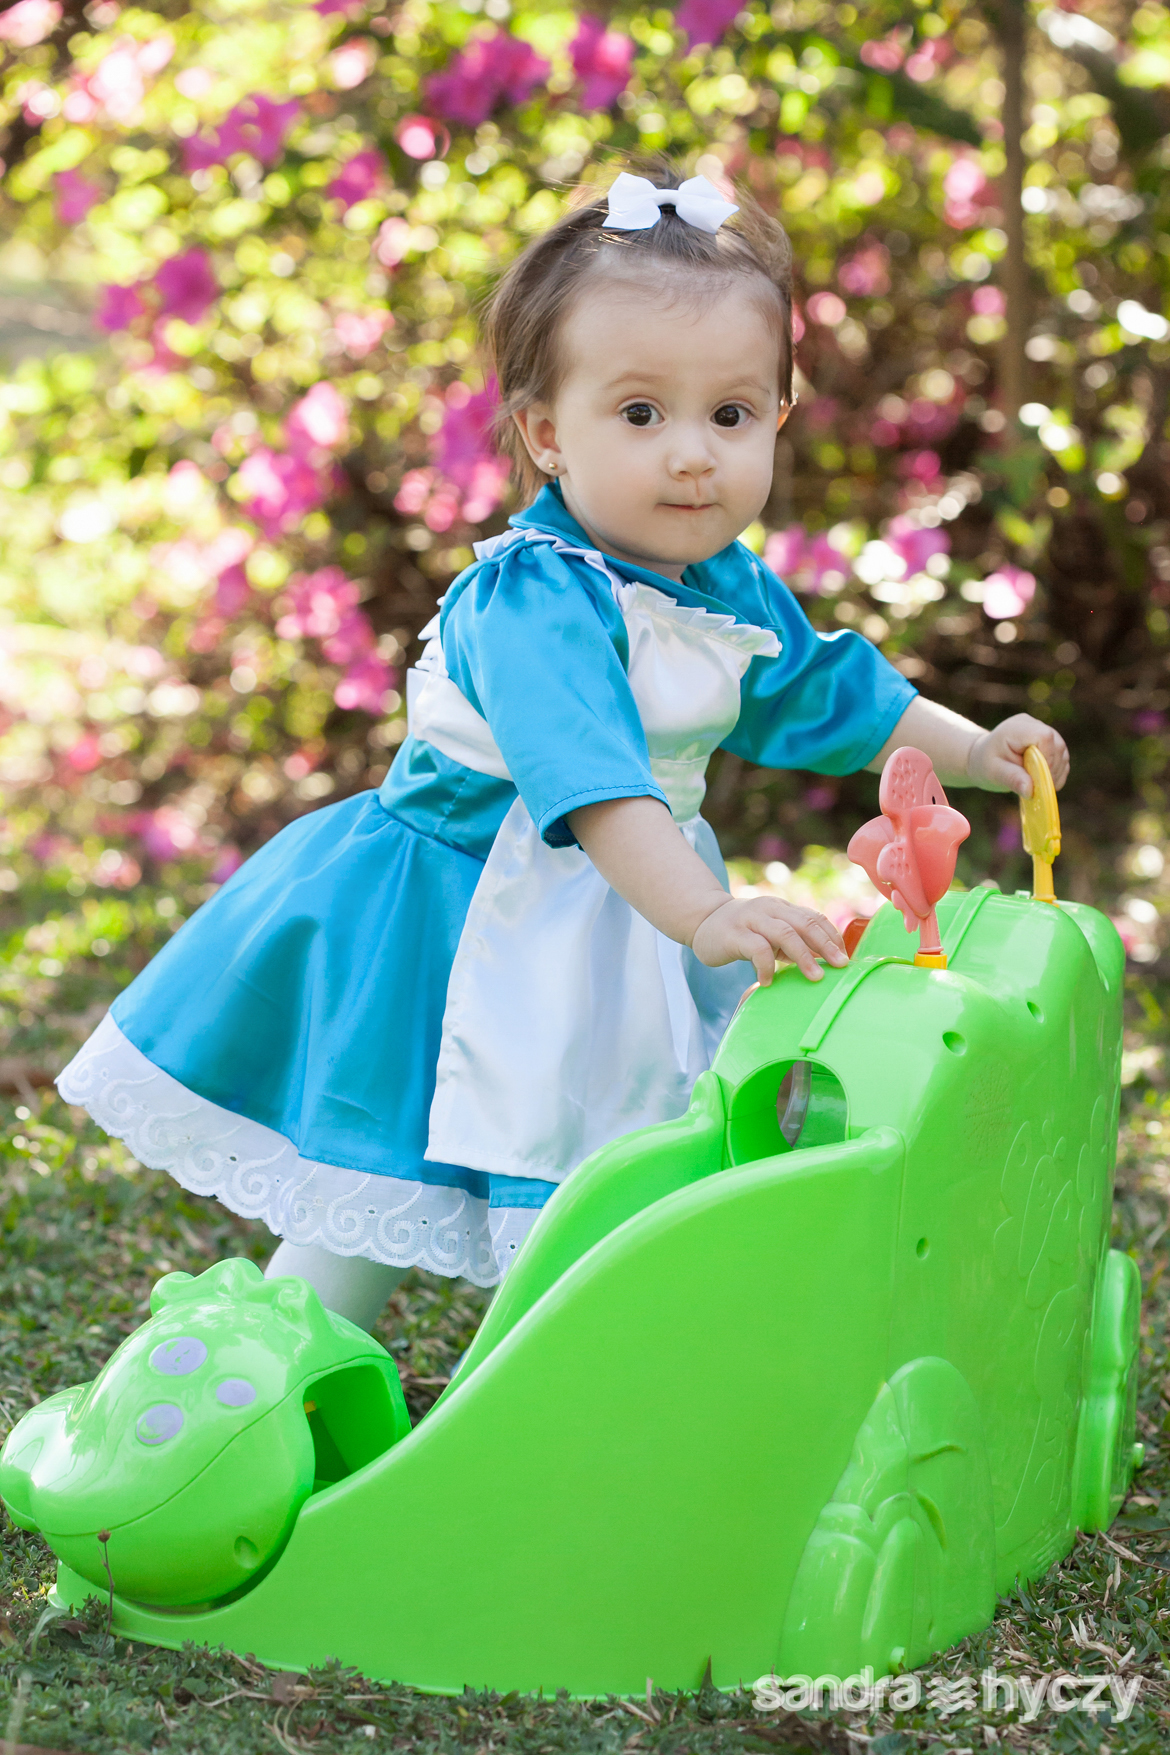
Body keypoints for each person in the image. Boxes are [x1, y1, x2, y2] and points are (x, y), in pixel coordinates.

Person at [56, 164, 1069, 1332]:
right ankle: (272, 1353)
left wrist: (979, 751)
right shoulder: (534, 597)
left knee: (622, 1146)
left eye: (731, 416)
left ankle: (588, 1365)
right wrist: (705, 914)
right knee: (389, 1158)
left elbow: (831, 690)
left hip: (624, 896)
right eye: (640, 415)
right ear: (546, 434)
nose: (692, 454)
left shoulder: (723, 584)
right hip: (464, 904)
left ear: (776, 421)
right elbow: (594, 786)